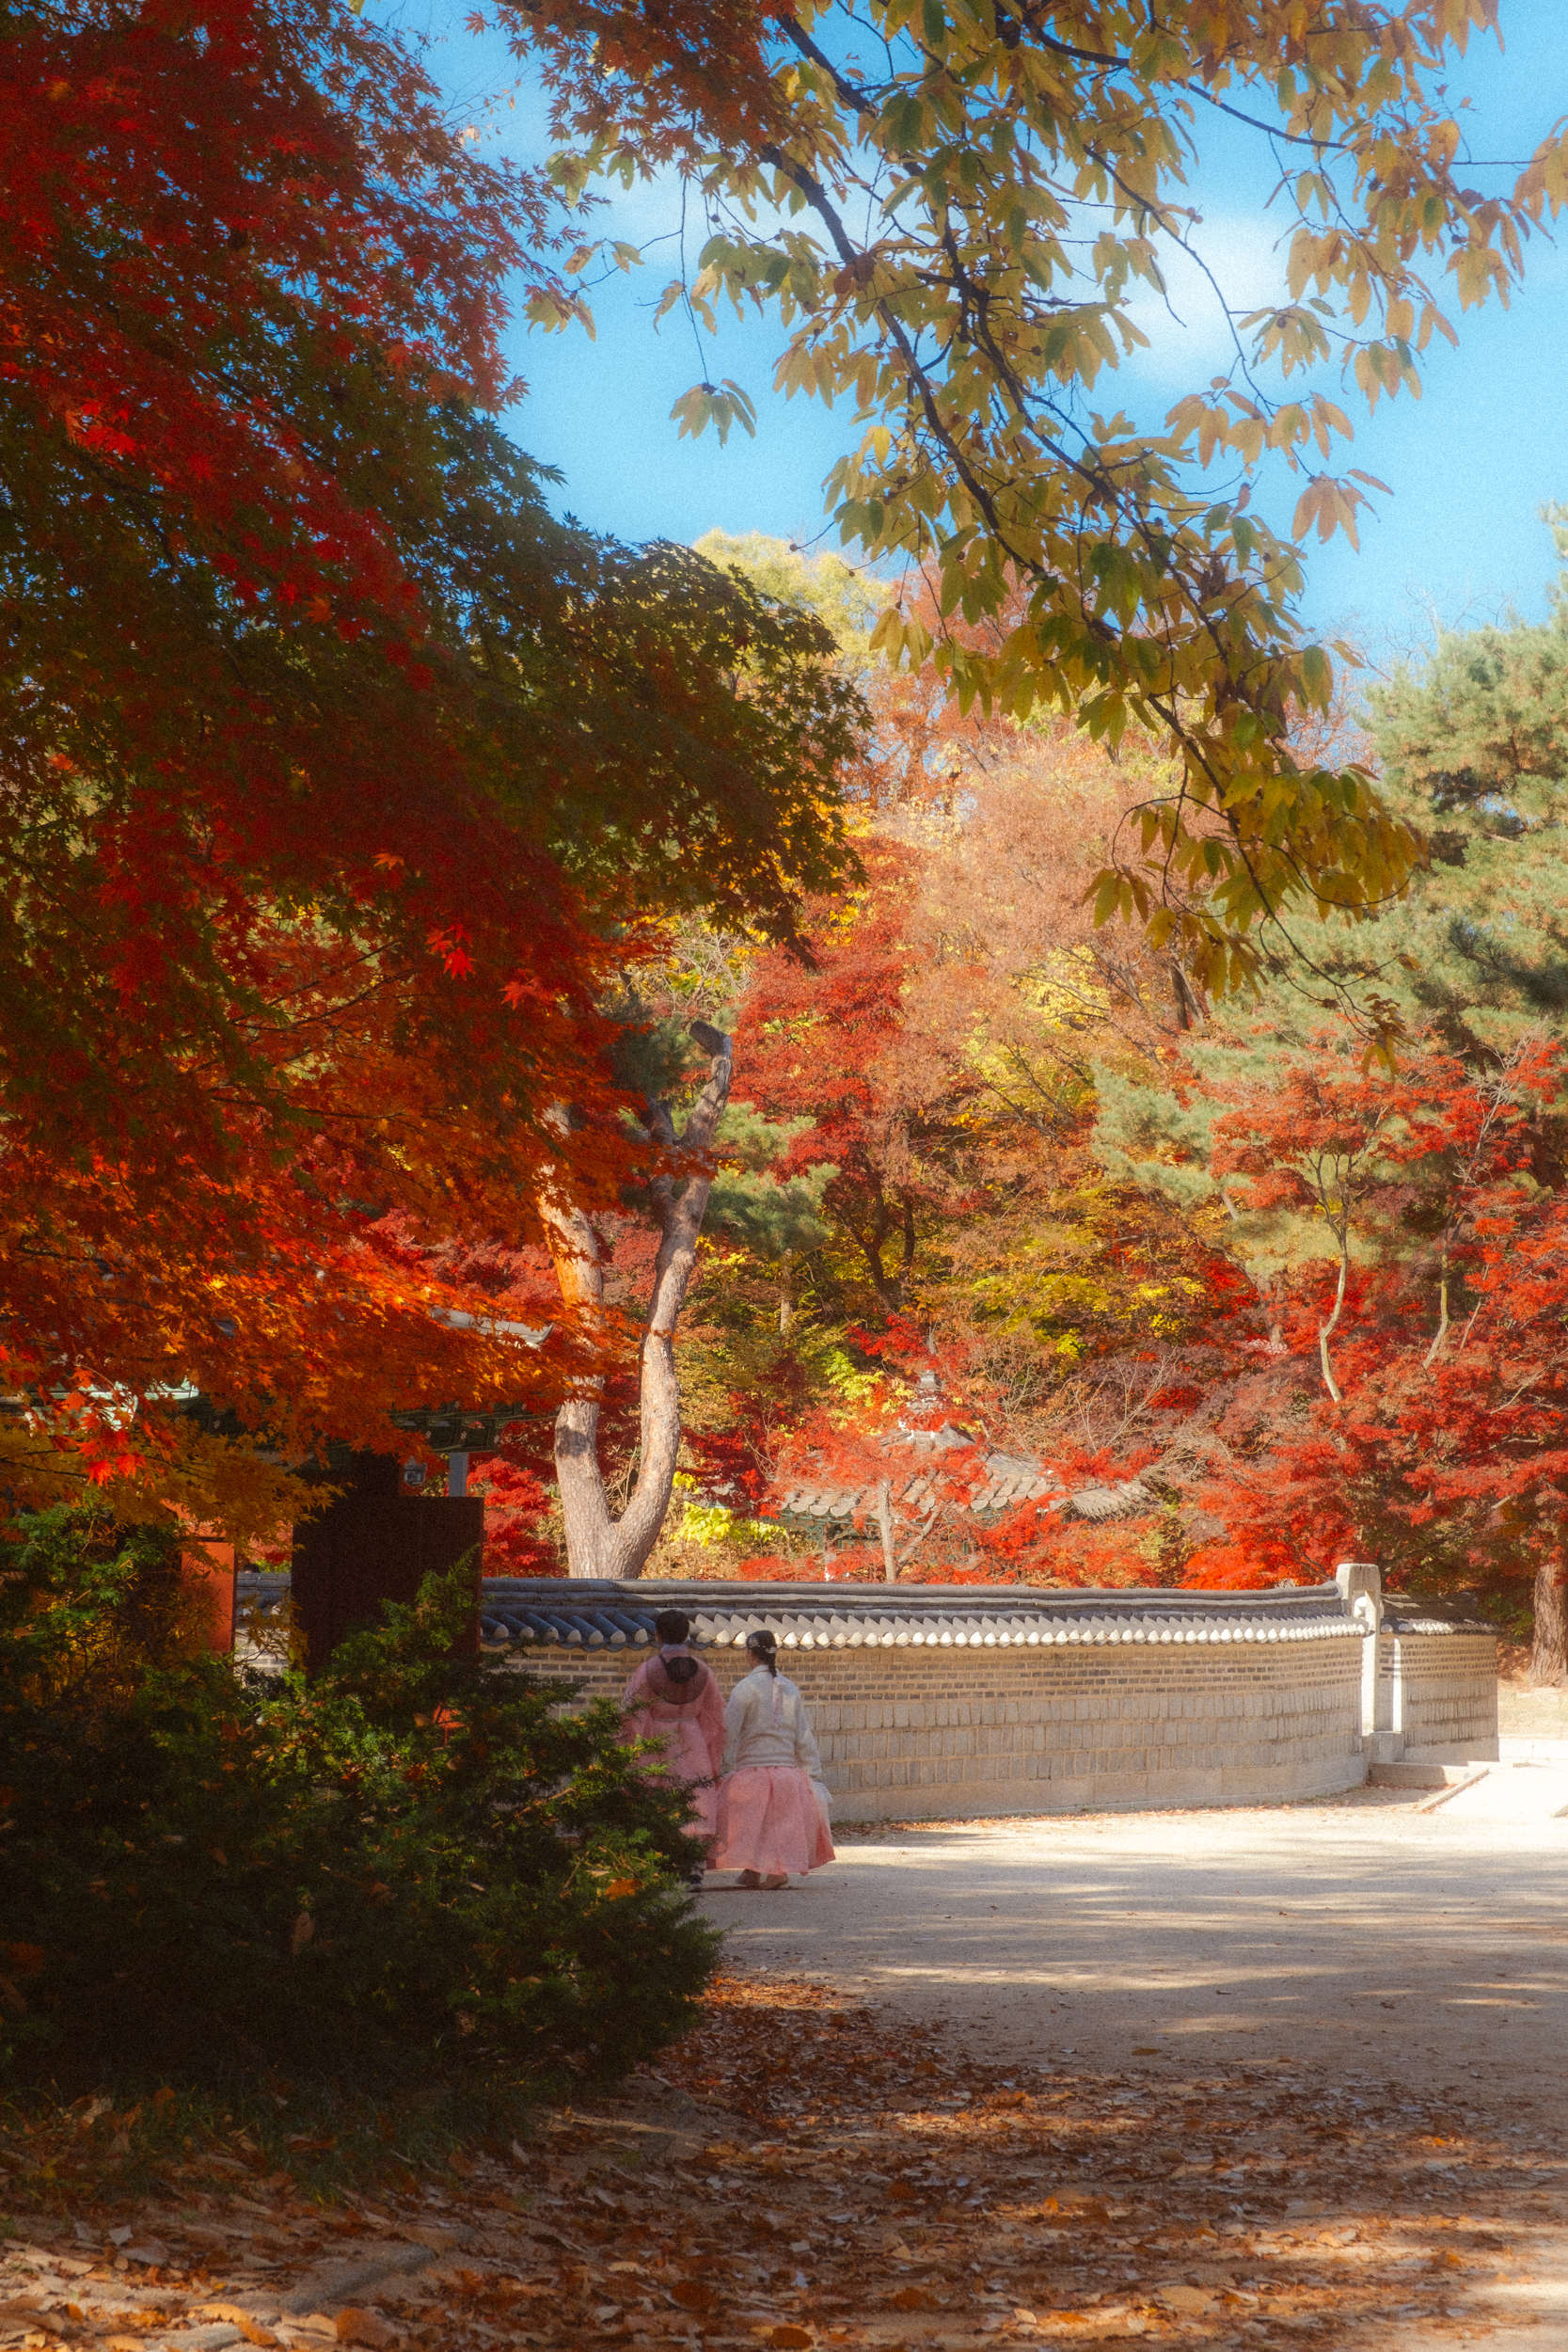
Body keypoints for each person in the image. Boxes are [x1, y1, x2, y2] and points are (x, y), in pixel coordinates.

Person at [711, 1629, 835, 1889]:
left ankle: (775, 1870)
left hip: (752, 1771)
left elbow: (728, 1732)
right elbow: (803, 1735)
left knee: (749, 1823)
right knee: (777, 1824)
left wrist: (711, 1761)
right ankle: (754, 1870)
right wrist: (812, 1772)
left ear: (750, 1654)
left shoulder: (745, 1689)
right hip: (788, 1774)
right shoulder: (790, 1688)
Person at [621, 1609, 726, 1890]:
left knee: (658, 1794)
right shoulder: (703, 1670)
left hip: (657, 1738)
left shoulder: (647, 1670)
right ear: (687, 1634)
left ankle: (660, 1865)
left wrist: (632, 1748)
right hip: (692, 1737)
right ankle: (694, 1868)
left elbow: (631, 1713)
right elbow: (716, 1717)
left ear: (657, 1635)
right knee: (696, 1794)